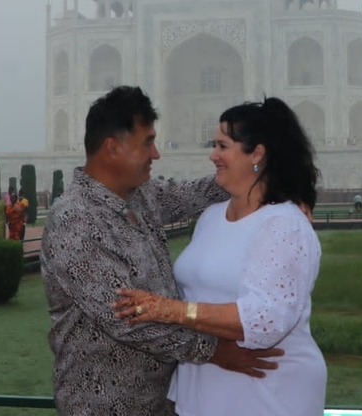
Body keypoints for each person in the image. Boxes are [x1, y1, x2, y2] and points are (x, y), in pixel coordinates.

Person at [41, 86, 284, 416]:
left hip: (162, 400)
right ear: (112, 148)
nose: (155, 154)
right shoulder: (75, 220)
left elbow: (194, 194)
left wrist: (266, 177)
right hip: (102, 403)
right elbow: (126, 318)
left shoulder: (140, 196)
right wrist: (214, 351)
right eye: (147, 143)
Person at [113, 97, 326, 416]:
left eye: (223, 146)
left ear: (257, 153)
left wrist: (170, 311)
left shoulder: (284, 225)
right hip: (204, 386)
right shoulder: (212, 216)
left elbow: (265, 319)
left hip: (266, 390)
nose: (213, 155)